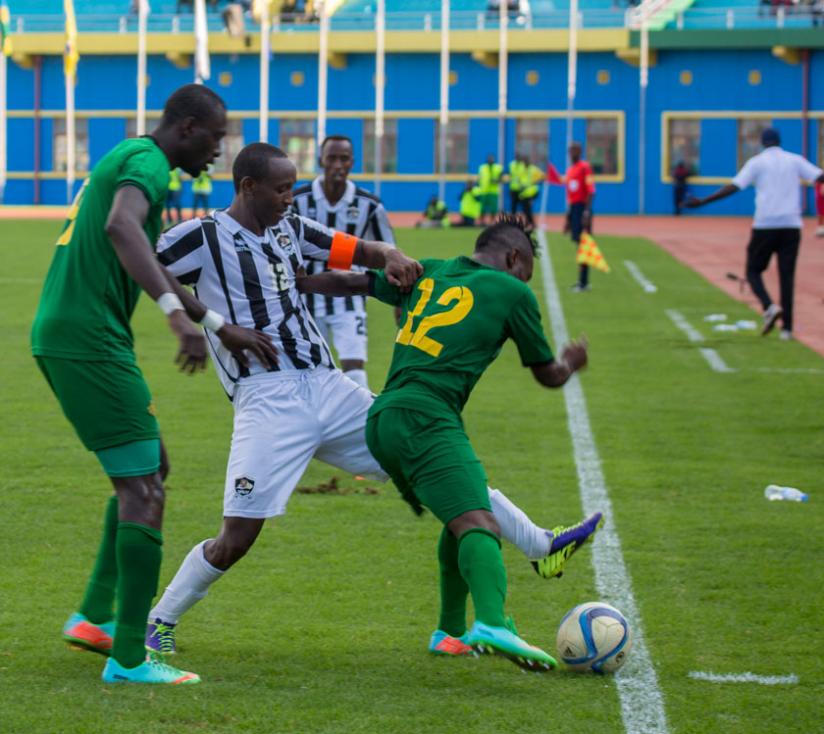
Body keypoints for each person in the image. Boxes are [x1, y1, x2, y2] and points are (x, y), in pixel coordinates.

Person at [143, 145, 592, 660]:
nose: (290, 198)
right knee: (238, 536)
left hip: (328, 385)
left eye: (292, 188)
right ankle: (159, 620)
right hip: (266, 399)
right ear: (247, 187)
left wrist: (390, 255)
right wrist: (215, 324)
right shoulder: (202, 235)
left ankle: (540, 544)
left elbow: (355, 249)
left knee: (435, 460)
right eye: (282, 189)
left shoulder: (289, 227)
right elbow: (146, 266)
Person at [30, 84, 278, 686]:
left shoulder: (130, 156)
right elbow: (122, 228)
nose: (218, 152)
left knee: (151, 469)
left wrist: (215, 323)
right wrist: (174, 316)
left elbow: (147, 257)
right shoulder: (148, 164)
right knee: (144, 493)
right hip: (89, 339)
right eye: (215, 138)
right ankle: (129, 659)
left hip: (75, 332)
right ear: (188, 128)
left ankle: (95, 617)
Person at [298, 215, 602, 671]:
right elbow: (547, 375)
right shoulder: (513, 292)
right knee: (480, 523)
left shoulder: (430, 270)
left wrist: (298, 282)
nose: (524, 282)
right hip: (426, 416)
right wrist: (571, 362)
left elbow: (354, 283)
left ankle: (451, 632)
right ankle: (494, 623)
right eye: (526, 271)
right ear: (514, 257)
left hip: (382, 416)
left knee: (459, 513)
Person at [686, 127, 824, 340]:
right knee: (787, 275)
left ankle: (769, 306)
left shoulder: (757, 162)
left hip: (765, 225)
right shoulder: (794, 160)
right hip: (791, 225)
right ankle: (787, 330)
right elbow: (820, 176)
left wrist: (704, 201)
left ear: (762, 143)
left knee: (753, 271)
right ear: (779, 141)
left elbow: (734, 186)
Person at [292, 135, 395, 390]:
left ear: (352, 163)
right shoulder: (297, 200)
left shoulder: (369, 205)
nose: (338, 165)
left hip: (351, 295)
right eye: (332, 158)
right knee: (308, 369)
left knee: (354, 365)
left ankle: (362, 415)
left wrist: (397, 299)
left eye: (344, 159)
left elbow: (388, 252)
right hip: (306, 296)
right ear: (321, 161)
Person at [564, 142, 596, 292]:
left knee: (584, 245)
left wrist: (586, 212)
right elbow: (570, 195)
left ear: (580, 152)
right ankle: (582, 281)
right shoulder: (570, 170)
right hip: (574, 209)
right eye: (570, 151)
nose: (572, 154)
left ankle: (584, 282)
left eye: (575, 151)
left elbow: (591, 191)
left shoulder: (585, 168)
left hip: (582, 209)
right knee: (578, 245)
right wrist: (568, 219)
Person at [517, 154, 544, 228]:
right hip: (524, 193)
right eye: (524, 161)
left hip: (532, 192)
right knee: (525, 210)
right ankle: (529, 222)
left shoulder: (533, 169)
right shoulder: (521, 169)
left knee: (528, 209)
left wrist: (536, 181)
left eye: (526, 161)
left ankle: (532, 223)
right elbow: (519, 179)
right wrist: (520, 185)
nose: (525, 163)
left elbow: (542, 176)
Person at [477, 153, 503, 225]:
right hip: (484, 191)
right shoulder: (482, 167)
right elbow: (479, 179)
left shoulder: (498, 168)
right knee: (482, 208)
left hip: (493, 192)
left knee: (493, 209)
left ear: (494, 159)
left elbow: (501, 179)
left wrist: (496, 180)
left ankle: (492, 222)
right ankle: (481, 222)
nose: (490, 160)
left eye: (491, 159)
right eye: (489, 158)